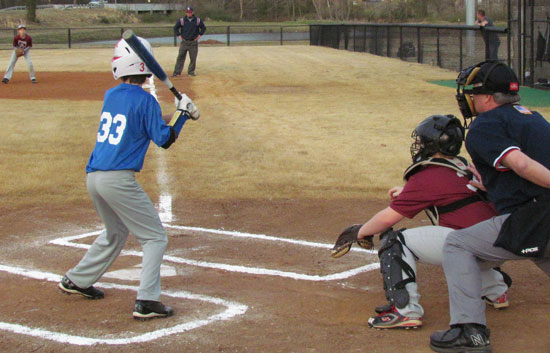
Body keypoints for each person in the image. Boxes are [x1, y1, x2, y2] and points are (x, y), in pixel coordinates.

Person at [58, 37, 200, 320]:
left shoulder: (111, 95)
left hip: (94, 176)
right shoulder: (146, 100)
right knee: (155, 238)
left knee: (116, 232)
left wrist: (179, 113)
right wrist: (183, 114)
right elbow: (163, 139)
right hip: (118, 180)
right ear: (145, 66)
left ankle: (76, 279)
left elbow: (139, 124)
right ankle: (147, 301)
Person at [430, 61, 550, 352]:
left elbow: (520, 163)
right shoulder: (534, 117)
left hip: (535, 217)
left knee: (458, 245)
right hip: (539, 216)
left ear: (485, 97)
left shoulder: (484, 125)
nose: (468, 99)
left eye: (472, 93)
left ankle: (470, 331)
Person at [349, 114, 510, 330]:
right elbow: (449, 192)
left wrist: (361, 231)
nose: (419, 145)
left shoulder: (428, 175)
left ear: (432, 144)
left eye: (423, 141)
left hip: (472, 248)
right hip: (498, 245)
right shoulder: (462, 165)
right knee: (464, 234)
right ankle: (495, 291)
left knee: (395, 240)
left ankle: (404, 311)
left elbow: (388, 217)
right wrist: (408, 191)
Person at [172, 6, 206, 77]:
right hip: (184, 42)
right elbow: (175, 28)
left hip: (193, 42)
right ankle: (177, 72)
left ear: (192, 12)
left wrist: (200, 34)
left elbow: (203, 27)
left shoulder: (197, 20)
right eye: (187, 12)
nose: (189, 14)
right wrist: (178, 35)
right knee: (180, 57)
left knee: (193, 58)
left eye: (190, 12)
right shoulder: (182, 20)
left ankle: (191, 72)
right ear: (186, 13)